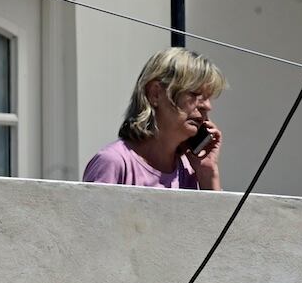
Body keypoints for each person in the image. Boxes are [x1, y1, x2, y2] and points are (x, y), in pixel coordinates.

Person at [83, 48, 225, 190]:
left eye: (207, 97)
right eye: (194, 93)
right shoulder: (114, 162)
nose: (207, 106)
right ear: (155, 93)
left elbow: (219, 213)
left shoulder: (189, 169)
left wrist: (208, 172)